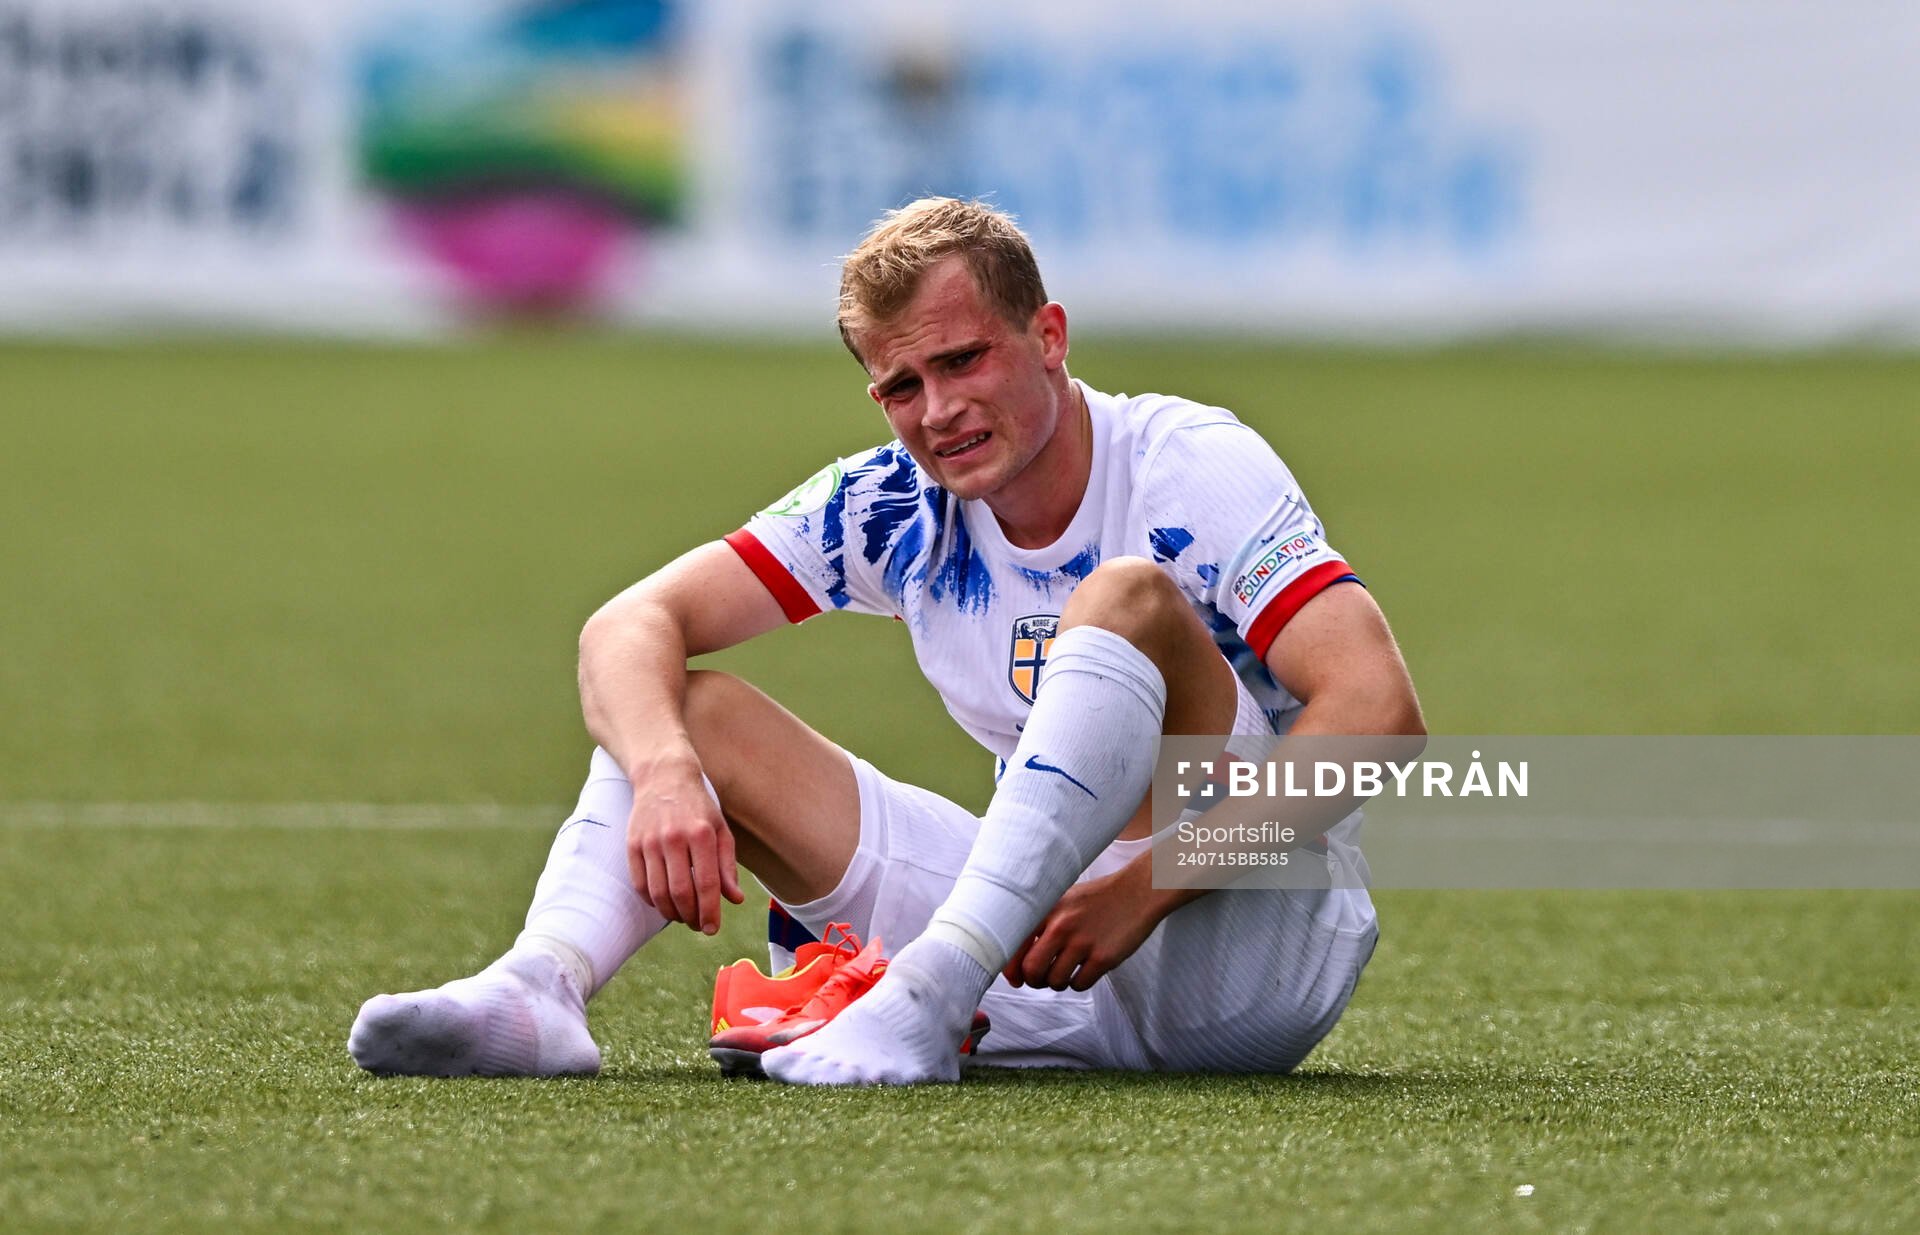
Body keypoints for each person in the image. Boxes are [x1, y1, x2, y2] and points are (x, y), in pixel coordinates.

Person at [347, 197, 1424, 1085]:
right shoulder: (896, 501)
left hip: (1241, 956)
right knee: (689, 708)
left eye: (963, 360)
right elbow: (628, 623)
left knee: (1126, 599)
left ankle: (924, 996)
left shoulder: (1189, 462)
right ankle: (542, 986)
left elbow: (1378, 713)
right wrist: (669, 770)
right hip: (1040, 949)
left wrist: (1148, 884)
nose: (939, 410)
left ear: (1048, 337)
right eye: (901, 385)